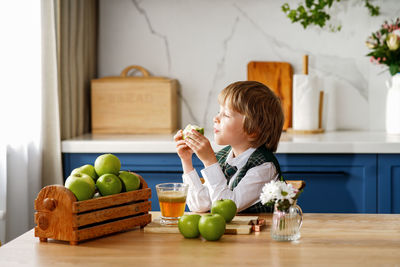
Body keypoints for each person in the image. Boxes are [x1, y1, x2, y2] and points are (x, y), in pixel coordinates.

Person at [174, 81, 284, 213]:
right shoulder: (224, 156)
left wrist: (209, 162)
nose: (215, 118)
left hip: (256, 233)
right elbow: (200, 206)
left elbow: (225, 208)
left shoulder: (264, 167)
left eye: (226, 115)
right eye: (218, 111)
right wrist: (186, 161)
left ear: (253, 130)